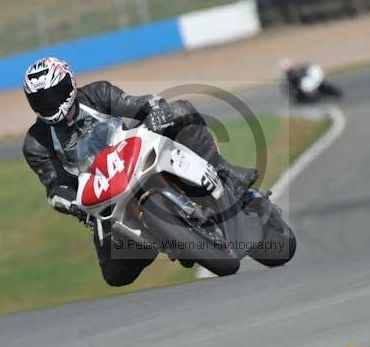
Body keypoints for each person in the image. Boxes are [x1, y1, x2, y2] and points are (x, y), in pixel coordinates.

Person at [22, 57, 258, 286]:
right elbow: (55, 186)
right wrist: (75, 204)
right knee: (116, 276)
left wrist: (155, 112)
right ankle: (156, 239)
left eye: (53, 95)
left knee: (179, 110)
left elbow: (140, 104)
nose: (49, 104)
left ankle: (224, 172)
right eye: (40, 100)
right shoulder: (36, 143)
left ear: (70, 85)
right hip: (101, 190)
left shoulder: (97, 94)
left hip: (132, 152)